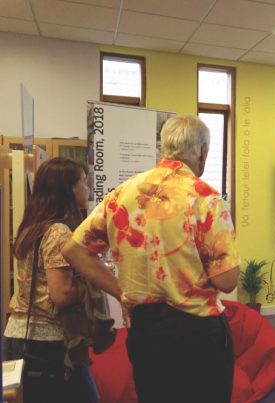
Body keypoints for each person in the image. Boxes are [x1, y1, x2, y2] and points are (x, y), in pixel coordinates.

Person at [62, 115, 241, 403]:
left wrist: (120, 291)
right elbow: (227, 280)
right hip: (197, 333)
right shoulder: (206, 199)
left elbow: (73, 249)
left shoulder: (122, 193)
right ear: (203, 151)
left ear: (163, 148)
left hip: (146, 330)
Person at [2, 158, 101, 403]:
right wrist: (92, 283)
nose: (88, 188)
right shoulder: (59, 232)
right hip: (47, 342)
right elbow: (61, 294)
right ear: (69, 189)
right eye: (83, 183)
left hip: (18, 333)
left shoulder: (31, 227)